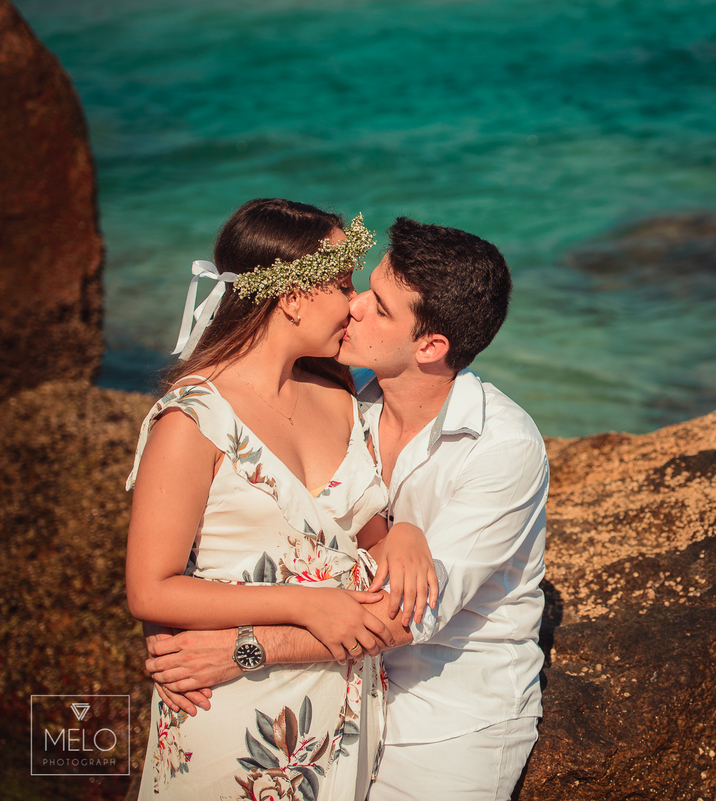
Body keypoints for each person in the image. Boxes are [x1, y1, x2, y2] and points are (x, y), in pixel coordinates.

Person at [146, 216, 549, 801]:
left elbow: (408, 617)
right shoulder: (342, 401)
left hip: (448, 719)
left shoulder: (501, 447)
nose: (354, 305)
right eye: (360, 288)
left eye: (380, 307)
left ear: (431, 346)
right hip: (343, 694)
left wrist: (247, 645)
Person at [126, 199, 433, 800]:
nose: (356, 304)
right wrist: (307, 605)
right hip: (236, 706)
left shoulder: (338, 393)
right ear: (291, 297)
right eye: (344, 283)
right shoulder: (192, 420)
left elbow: (364, 533)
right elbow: (150, 587)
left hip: (343, 705)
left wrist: (406, 533)